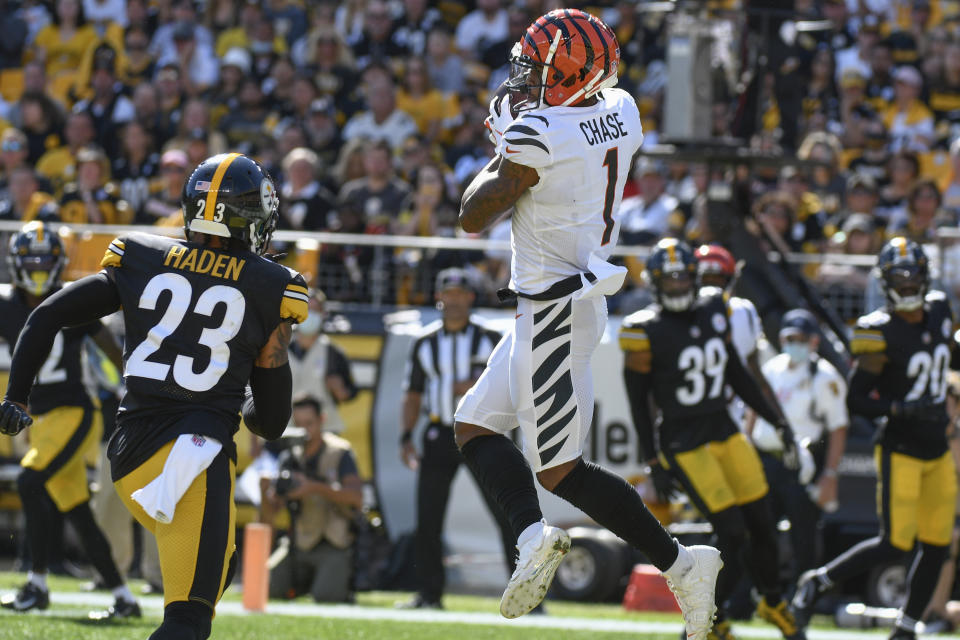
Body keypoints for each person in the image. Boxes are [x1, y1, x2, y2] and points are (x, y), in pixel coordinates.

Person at [452, 10, 722, 638]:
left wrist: (502, 140)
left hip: (555, 305)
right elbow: (562, 134)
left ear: (570, 76)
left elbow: (473, 213)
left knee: (559, 470)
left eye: (537, 70)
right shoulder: (622, 107)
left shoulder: (538, 133)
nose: (523, 78)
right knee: (473, 425)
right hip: (557, 296)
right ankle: (532, 536)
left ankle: (683, 565)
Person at [0, 153, 308, 640]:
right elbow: (269, 423)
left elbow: (46, 317)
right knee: (187, 621)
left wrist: (17, 396)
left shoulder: (141, 255)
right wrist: (270, 359)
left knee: (213, 578)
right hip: (194, 458)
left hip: (130, 456)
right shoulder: (273, 287)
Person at [620, 239, 804, 640]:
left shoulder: (715, 308)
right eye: (668, 280)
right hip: (684, 441)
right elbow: (638, 403)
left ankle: (772, 600)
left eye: (683, 276)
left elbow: (738, 373)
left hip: (723, 427)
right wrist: (653, 461)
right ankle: (708, 621)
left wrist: (778, 421)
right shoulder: (643, 329)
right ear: (654, 283)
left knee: (764, 525)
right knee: (733, 533)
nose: (677, 285)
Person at [791, 238, 959, 640]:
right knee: (895, 543)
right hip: (899, 446)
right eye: (898, 280)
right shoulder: (877, 331)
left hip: (937, 448)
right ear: (884, 284)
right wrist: (899, 408)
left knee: (937, 544)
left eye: (912, 277)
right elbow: (857, 398)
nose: (906, 286)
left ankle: (906, 626)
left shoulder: (938, 307)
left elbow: (944, 355)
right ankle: (819, 579)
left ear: (925, 278)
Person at [0, 221, 139, 619]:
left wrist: (132, 381)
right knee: (78, 509)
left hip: (76, 413)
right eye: (34, 259)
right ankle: (123, 597)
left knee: (29, 481)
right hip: (40, 422)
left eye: (46, 258)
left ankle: (37, 583)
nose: (41, 266)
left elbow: (107, 342)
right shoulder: (7, 305)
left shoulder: (70, 300)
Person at [397, 268, 515, 610]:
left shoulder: (490, 338)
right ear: (439, 297)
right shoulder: (424, 342)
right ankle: (429, 594)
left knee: (506, 513)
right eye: (447, 293)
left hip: (482, 432)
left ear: (470, 298)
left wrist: (472, 386)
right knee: (428, 517)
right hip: (437, 433)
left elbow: (504, 383)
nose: (453, 300)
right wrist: (406, 434)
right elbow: (413, 393)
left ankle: (525, 592)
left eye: (460, 294)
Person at [745, 309, 849, 583]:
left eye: (801, 338)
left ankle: (802, 594)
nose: (795, 344)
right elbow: (753, 411)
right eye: (790, 337)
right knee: (756, 529)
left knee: (803, 535)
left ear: (814, 341)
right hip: (764, 459)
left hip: (801, 465)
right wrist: (745, 447)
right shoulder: (771, 368)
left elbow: (838, 428)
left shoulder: (825, 377)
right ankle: (750, 595)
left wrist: (830, 475)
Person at [260, 395, 363, 603]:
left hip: (333, 543)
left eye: (309, 423)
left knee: (326, 596)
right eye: (299, 425)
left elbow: (357, 498)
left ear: (322, 420)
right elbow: (271, 514)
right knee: (265, 586)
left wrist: (314, 488)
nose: (305, 430)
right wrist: (264, 491)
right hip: (298, 542)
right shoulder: (289, 455)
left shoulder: (340, 452)